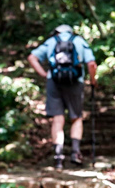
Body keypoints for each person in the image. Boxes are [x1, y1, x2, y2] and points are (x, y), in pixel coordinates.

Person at [27, 24, 97, 169]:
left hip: (54, 82)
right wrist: (92, 80)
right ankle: (75, 152)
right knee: (76, 117)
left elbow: (32, 57)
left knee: (58, 118)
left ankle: (58, 156)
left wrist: (44, 74)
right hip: (75, 83)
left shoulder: (51, 41)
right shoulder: (79, 41)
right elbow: (91, 63)